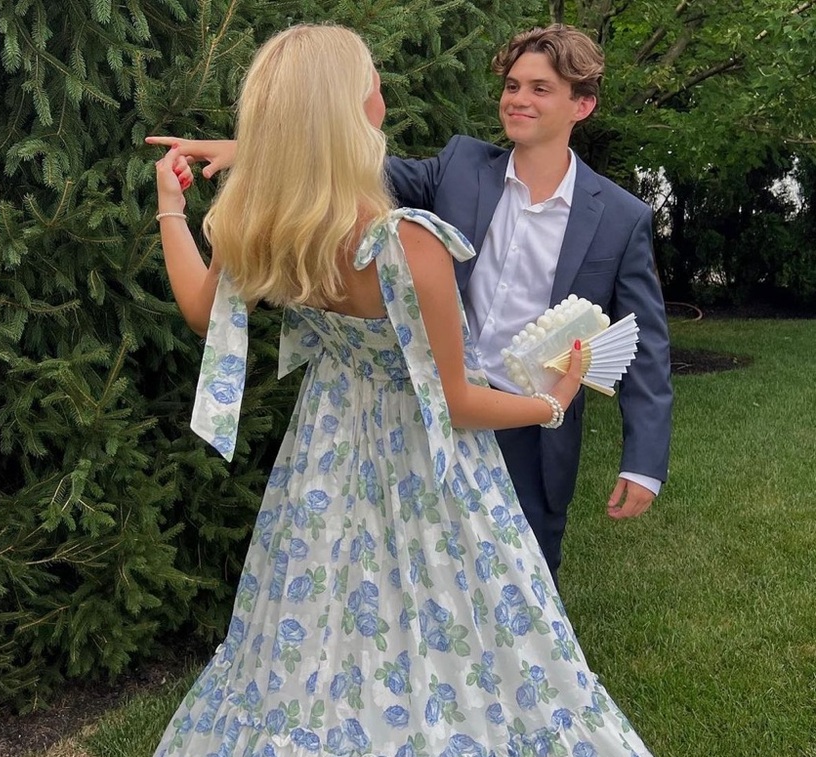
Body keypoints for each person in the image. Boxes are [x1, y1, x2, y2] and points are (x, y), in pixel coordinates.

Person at [134, 23, 718, 757]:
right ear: (357, 114)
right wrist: (553, 397)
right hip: (429, 481)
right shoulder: (403, 243)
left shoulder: (268, 222)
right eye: (371, 88)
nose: (383, 101)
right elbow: (451, 401)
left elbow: (202, 309)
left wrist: (169, 203)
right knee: (479, 671)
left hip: (322, 475)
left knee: (321, 668)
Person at [147, 24, 673, 584]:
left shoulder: (621, 216)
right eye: (512, 85)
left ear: (582, 105)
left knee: (525, 578)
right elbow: (338, 159)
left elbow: (646, 345)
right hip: (430, 414)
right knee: (429, 571)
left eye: (540, 89)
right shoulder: (461, 166)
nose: (518, 99)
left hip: (531, 423)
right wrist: (253, 151)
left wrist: (643, 462)